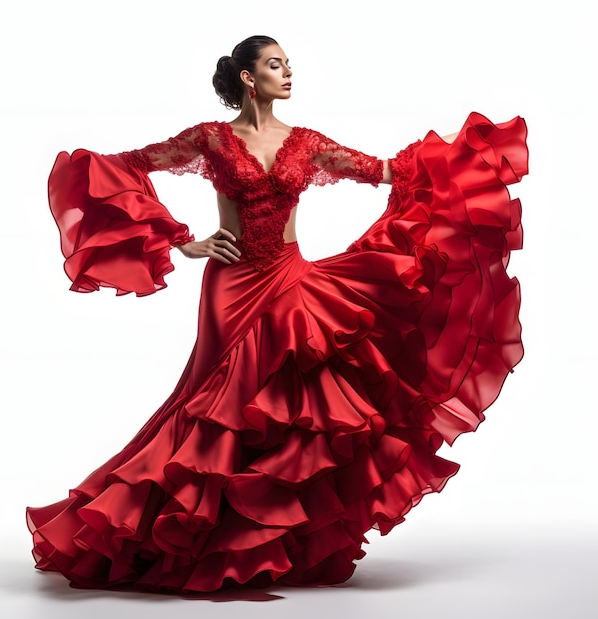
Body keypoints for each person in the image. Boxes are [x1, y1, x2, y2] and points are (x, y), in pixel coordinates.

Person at [27, 35, 528, 593]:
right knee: (216, 407)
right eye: (275, 65)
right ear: (247, 77)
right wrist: (182, 241)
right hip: (231, 285)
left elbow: (386, 173)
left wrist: (462, 160)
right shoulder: (211, 140)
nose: (287, 73)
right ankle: (174, 535)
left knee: (288, 405)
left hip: (291, 278)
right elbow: (120, 168)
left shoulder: (306, 143)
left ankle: (262, 545)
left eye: (289, 65)